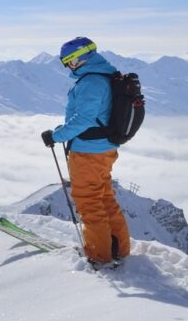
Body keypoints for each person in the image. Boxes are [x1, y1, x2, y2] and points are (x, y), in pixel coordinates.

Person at [42, 36, 132, 268]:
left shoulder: (91, 82)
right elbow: (94, 116)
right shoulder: (105, 76)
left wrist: (56, 136)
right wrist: (63, 130)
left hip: (88, 153)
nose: (69, 67)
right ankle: (119, 248)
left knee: (90, 202)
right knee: (104, 197)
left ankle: (99, 255)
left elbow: (85, 118)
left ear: (80, 58)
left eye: (69, 62)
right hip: (104, 148)